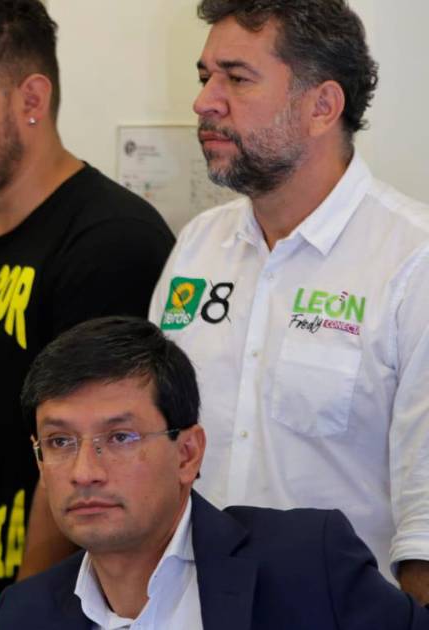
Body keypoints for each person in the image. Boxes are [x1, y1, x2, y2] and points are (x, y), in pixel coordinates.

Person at [0, 0, 174, 588]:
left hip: (56, 592)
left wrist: (25, 607)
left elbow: (87, 451)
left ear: (32, 99)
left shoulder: (113, 240)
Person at [148, 0, 429, 602]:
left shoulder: (413, 261)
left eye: (236, 78)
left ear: (321, 106)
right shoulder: (198, 246)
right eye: (205, 76)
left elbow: (426, 523)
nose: (204, 102)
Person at [0, 316, 429, 629]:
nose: (85, 472)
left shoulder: (308, 565)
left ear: (187, 454)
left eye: (120, 437)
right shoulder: (22, 614)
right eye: (60, 442)